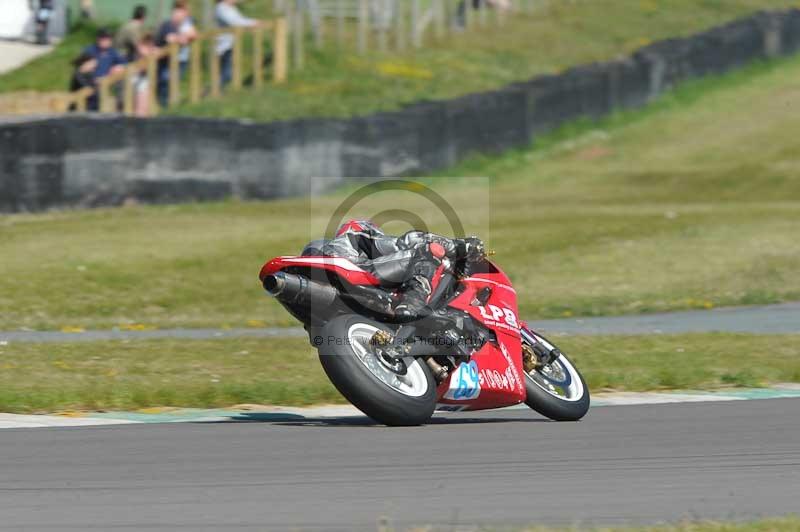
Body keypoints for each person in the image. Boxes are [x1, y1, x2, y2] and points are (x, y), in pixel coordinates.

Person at [319, 220, 485, 319]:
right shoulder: (356, 235)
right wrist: (460, 247)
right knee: (427, 251)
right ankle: (414, 303)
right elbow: (405, 242)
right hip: (353, 271)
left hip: (340, 297)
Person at [155, 1, 195, 107]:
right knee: (165, 83)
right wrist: (182, 38)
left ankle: (168, 107)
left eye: (182, 13)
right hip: (163, 61)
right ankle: (164, 107)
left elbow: (193, 35)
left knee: (171, 83)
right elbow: (172, 39)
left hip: (172, 60)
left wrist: (184, 38)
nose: (180, 16)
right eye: (177, 13)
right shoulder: (168, 25)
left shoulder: (183, 24)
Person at [215, 0, 256, 88]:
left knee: (228, 72)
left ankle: (219, 90)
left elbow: (240, 20)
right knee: (226, 73)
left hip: (230, 43)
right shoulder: (221, 8)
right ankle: (217, 90)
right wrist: (253, 23)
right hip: (222, 46)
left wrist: (253, 22)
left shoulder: (230, 8)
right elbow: (235, 22)